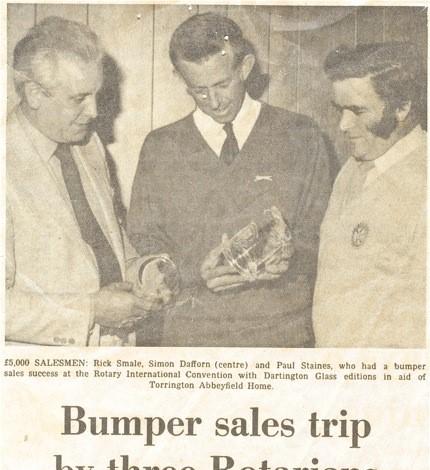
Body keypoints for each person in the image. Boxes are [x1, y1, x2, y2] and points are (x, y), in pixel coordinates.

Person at [128, 12, 336, 347]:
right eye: (199, 90)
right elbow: (144, 239)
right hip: (191, 335)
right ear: (181, 79)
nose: (215, 101)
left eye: (223, 84)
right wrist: (190, 271)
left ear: (245, 67)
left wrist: (290, 255)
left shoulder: (301, 135)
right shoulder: (161, 147)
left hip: (280, 335)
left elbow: (325, 232)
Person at [7, 17, 173, 346]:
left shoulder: (88, 145)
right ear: (35, 94)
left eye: (96, 95)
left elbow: (109, 249)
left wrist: (147, 270)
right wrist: (91, 311)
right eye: (78, 98)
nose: (94, 111)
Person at [313, 43, 426, 348]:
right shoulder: (352, 168)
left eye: (359, 111)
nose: (343, 125)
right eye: (340, 110)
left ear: (402, 107)